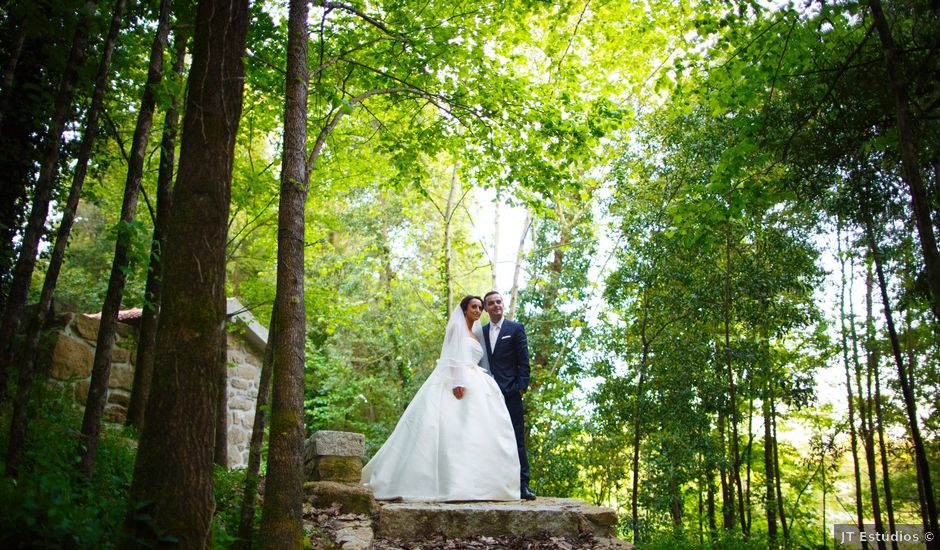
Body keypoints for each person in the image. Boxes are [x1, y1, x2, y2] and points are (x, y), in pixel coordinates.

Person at [361, 295, 521, 501]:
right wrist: (457, 383)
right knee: (451, 429)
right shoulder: (456, 329)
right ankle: (446, 484)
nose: (478, 311)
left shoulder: (476, 334)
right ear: (464, 310)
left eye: (480, 307)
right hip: (458, 380)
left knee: (475, 432)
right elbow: (452, 357)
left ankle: (478, 484)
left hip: (478, 382)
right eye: (474, 307)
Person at [482, 291, 536, 500]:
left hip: (511, 392)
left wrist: (521, 387)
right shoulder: (481, 332)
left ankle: (523, 485)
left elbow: (524, 361)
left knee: (516, 438)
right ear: (486, 308)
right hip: (487, 395)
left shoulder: (515, 329)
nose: (496, 305)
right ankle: (495, 484)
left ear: (502, 304)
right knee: (491, 439)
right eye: (491, 303)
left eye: (498, 302)